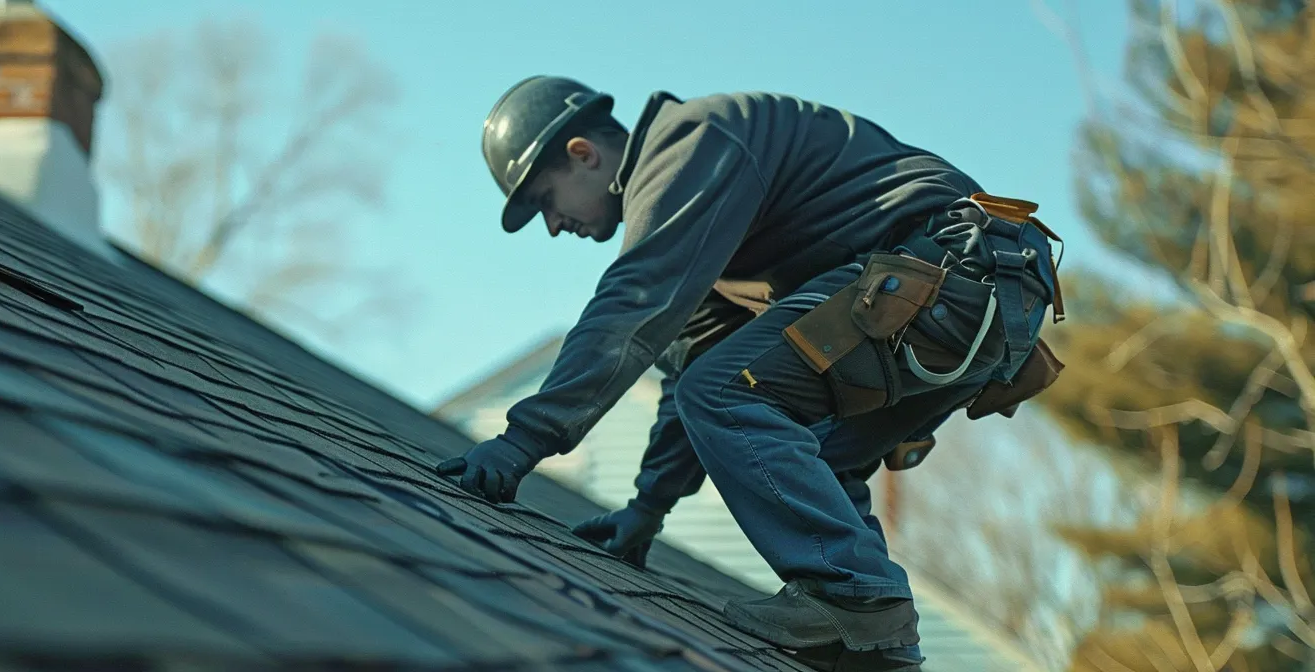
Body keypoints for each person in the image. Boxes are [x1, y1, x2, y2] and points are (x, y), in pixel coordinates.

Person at [434, 76, 1065, 671]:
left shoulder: (693, 142)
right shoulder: (704, 211)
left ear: (582, 153)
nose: (553, 226)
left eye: (546, 199)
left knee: (730, 396)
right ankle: (875, 634)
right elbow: (690, 373)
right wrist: (647, 509)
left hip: (951, 272)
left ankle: (855, 597)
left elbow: (635, 304)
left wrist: (524, 440)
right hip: (982, 294)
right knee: (808, 447)